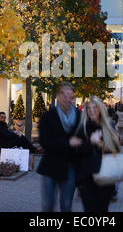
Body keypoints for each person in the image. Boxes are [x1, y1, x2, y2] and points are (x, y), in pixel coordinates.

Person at [36, 82, 81, 212]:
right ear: (58, 96)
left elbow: (83, 136)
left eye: (71, 97)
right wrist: (67, 143)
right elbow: (44, 142)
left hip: (70, 166)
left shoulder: (78, 116)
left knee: (66, 206)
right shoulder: (48, 116)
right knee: (48, 205)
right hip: (50, 165)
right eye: (64, 96)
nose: (67, 99)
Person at [72, 96, 121, 212]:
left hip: (105, 179)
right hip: (87, 178)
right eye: (89, 108)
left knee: (102, 210)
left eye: (95, 108)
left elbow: (114, 151)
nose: (92, 110)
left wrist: (101, 143)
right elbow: (77, 152)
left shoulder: (108, 128)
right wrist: (90, 142)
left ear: (101, 110)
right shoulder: (82, 128)